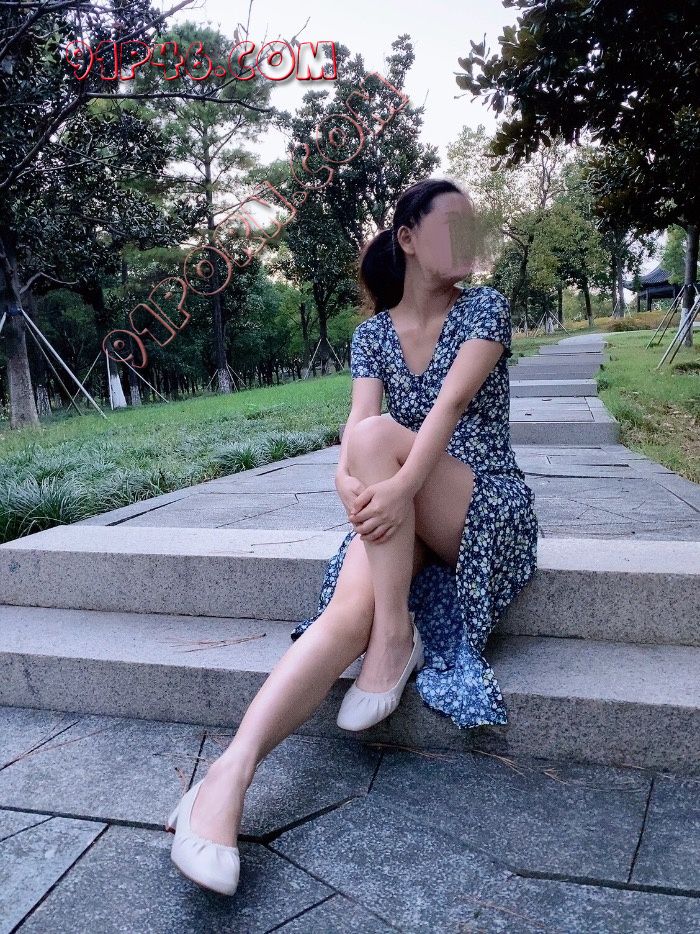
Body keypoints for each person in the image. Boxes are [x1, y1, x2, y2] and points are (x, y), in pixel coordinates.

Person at [166, 177, 539, 896]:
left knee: (376, 443)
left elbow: (450, 406)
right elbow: (356, 425)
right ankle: (228, 775)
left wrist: (392, 487)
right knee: (343, 613)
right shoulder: (372, 335)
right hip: (400, 496)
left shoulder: (484, 307)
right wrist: (350, 484)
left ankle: (394, 636)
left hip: (481, 503)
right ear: (409, 238)